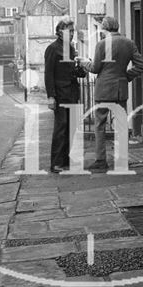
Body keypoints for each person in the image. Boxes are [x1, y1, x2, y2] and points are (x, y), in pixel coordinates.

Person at [78, 16, 143, 171]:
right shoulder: (129, 43)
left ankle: (101, 161)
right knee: (122, 126)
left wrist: (83, 61)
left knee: (100, 125)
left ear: (104, 28)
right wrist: (126, 77)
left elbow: (95, 68)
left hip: (103, 90)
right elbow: (141, 65)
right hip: (120, 90)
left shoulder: (101, 44)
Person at [44, 17, 86, 172]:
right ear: (60, 32)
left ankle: (66, 159)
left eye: (73, 31)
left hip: (72, 93)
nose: (73, 33)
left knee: (71, 128)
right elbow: (49, 74)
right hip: (60, 94)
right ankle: (55, 163)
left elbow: (75, 72)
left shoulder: (71, 49)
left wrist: (81, 68)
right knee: (61, 128)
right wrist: (50, 96)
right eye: (70, 31)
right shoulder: (52, 49)